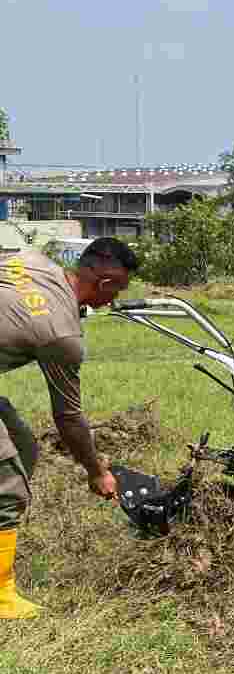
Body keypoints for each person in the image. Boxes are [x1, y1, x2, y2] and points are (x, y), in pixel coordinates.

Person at [1, 237, 137, 620]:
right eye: (117, 292)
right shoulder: (62, 334)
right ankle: (1, 595)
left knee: (22, 447)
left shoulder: (31, 259)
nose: (112, 301)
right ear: (105, 283)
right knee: (8, 479)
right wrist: (96, 471)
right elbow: (68, 417)